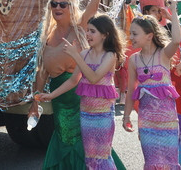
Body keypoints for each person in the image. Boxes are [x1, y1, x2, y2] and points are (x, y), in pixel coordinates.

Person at [28, 0, 124, 169]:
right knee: (65, 138)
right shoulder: (46, 37)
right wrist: (35, 102)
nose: (58, 7)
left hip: (81, 97)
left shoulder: (80, 28)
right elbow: (42, 73)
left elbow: (94, 4)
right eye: (54, 4)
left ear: (71, 8)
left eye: (63, 4)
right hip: (60, 98)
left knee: (89, 145)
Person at [37, 14, 126, 170]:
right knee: (90, 158)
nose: (88, 34)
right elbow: (73, 80)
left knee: (102, 156)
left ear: (104, 35)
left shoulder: (110, 55)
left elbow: (94, 78)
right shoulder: (85, 54)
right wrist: (51, 95)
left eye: (92, 31)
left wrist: (76, 56)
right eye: (88, 30)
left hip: (103, 115)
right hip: (85, 114)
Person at [123, 0, 181, 169]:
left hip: (168, 121)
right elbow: (130, 91)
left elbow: (176, 40)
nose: (130, 37)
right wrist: (126, 116)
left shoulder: (163, 54)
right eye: (130, 33)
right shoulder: (134, 60)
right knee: (151, 162)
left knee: (169, 162)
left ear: (149, 36)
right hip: (146, 123)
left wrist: (173, 12)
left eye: (135, 34)